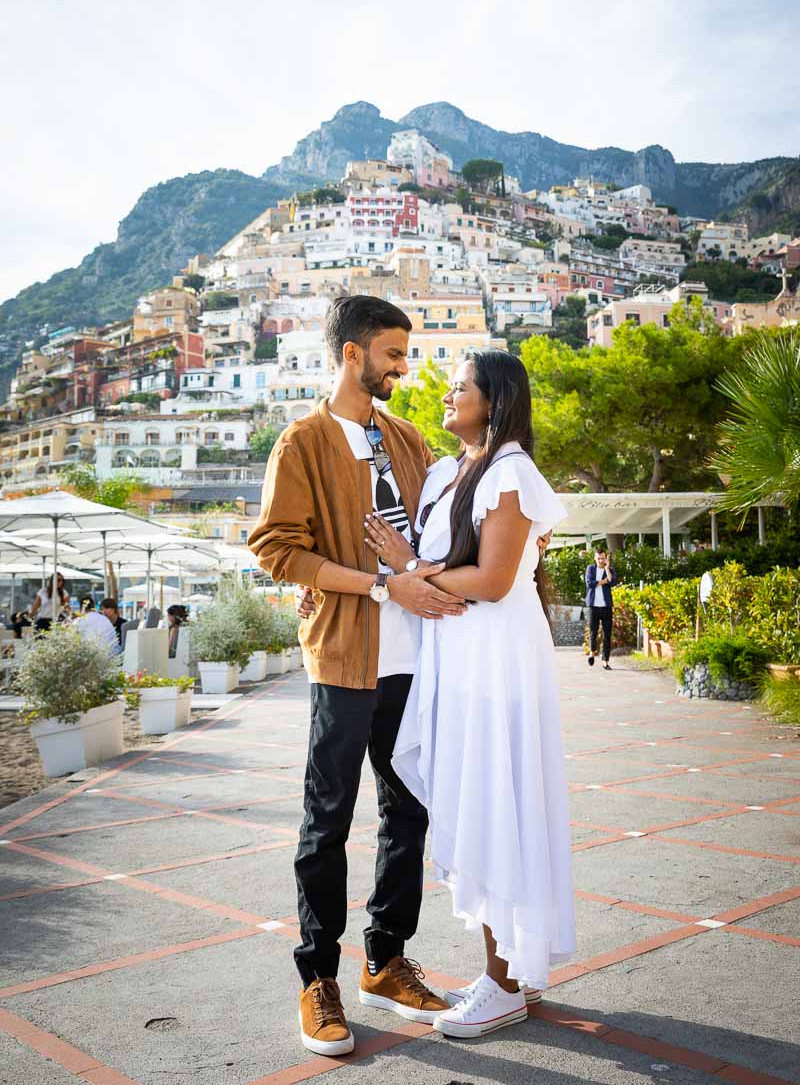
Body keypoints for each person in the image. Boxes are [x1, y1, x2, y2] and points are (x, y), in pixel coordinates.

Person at [249, 296, 463, 1057]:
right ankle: (318, 979)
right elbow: (276, 545)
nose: (404, 368)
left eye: (405, 355)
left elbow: (444, 526)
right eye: (393, 354)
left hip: (416, 660)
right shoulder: (302, 442)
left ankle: (385, 959)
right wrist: (377, 586)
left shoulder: (408, 438)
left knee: (407, 813)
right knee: (328, 818)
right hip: (345, 657)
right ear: (351, 354)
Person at [362, 350, 576, 1038]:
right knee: (483, 803)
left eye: (462, 388)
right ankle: (513, 967)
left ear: (496, 400)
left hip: (496, 662)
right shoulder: (447, 473)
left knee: (497, 805)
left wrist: (412, 569)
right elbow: (441, 571)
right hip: (458, 659)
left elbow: (491, 580)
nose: (448, 396)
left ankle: (505, 982)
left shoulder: (512, 474)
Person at [585, 548, 617, 669]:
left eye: (602, 558)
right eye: (598, 558)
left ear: (605, 559)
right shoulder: (590, 569)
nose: (600, 560)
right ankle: (592, 652)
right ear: (595, 558)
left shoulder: (610, 570)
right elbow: (590, 584)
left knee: (607, 635)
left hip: (606, 607)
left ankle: (605, 661)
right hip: (593, 606)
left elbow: (612, 581)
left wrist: (607, 569)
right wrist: (604, 581)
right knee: (593, 632)